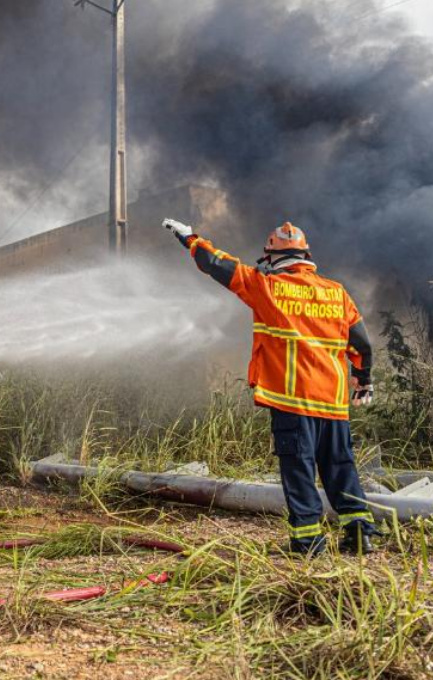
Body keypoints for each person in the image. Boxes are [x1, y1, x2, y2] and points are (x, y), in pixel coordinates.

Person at [163, 218, 380, 555]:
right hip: (333, 403)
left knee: (299, 470)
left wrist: (190, 238)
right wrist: (362, 380)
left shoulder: (267, 286)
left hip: (293, 401)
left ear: (271, 257)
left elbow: (217, 264)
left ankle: (308, 541)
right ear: (306, 256)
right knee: (340, 466)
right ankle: (359, 534)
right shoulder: (337, 293)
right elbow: (362, 343)